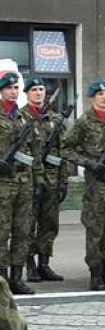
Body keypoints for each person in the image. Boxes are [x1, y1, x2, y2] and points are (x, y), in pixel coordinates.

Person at [62, 78, 105, 291]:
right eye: (100, 94)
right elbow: (65, 148)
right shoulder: (84, 121)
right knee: (96, 231)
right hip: (96, 186)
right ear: (92, 97)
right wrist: (89, 163)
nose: (104, 97)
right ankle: (96, 275)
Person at [21, 77, 65, 284]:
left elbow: (62, 152)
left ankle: (44, 264)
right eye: (34, 90)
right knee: (28, 224)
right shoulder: (20, 117)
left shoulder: (55, 120)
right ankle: (29, 265)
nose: (39, 93)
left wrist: (63, 180)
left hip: (52, 180)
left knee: (49, 223)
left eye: (41, 90)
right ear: (27, 93)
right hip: (28, 179)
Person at [0, 72, 35, 295]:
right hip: (3, 183)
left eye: (16, 88)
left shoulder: (24, 118)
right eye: (9, 88)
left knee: (22, 231)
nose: (13, 91)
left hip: (24, 182)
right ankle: (2, 279)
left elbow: (34, 152)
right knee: (1, 232)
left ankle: (17, 277)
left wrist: (38, 181)